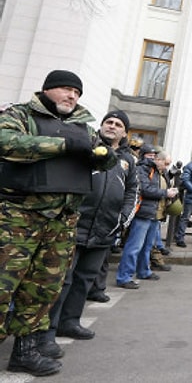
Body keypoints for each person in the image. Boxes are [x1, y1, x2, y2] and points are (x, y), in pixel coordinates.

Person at [0, 70, 116, 376]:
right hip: (18, 218)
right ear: (47, 90)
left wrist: (102, 154)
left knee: (42, 290)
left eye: (76, 93)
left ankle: (25, 351)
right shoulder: (20, 115)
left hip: (61, 222)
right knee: (3, 285)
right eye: (66, 89)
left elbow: (107, 157)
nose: (72, 96)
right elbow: (6, 142)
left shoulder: (82, 127)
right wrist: (62, 145)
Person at [37, 110, 139, 358]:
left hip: (105, 229)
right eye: (108, 122)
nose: (112, 127)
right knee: (62, 280)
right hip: (74, 225)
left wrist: (122, 220)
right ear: (101, 126)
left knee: (84, 279)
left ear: (124, 132)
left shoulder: (128, 160)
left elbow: (132, 192)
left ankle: (70, 322)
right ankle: (46, 332)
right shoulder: (86, 146)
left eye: (118, 125)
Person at [116, 147, 178, 289]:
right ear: (158, 160)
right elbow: (144, 189)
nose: (167, 167)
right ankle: (124, 276)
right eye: (166, 163)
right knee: (134, 246)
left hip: (154, 213)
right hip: (144, 212)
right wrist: (165, 192)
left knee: (146, 247)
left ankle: (143, 271)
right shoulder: (143, 169)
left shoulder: (158, 171)